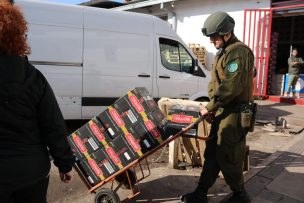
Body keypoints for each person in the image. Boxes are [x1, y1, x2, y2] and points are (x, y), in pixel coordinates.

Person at [0, 2, 75, 203]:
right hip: (31, 172)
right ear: (18, 35)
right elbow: (53, 125)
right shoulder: (34, 78)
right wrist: (65, 164)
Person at [181, 12, 255, 203]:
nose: (211, 40)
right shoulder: (225, 51)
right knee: (212, 153)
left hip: (235, 114)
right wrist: (213, 108)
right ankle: (201, 192)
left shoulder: (238, 52)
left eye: (214, 36)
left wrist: (211, 106)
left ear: (226, 33)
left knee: (228, 154)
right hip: (223, 110)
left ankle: (240, 195)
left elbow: (231, 86)